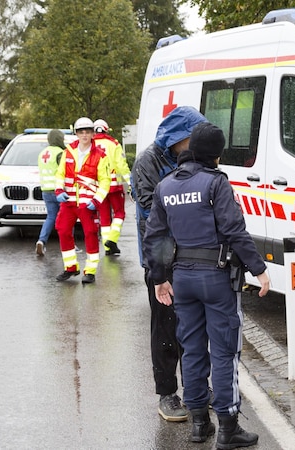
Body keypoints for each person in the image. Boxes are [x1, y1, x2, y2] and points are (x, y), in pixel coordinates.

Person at [143, 122, 270, 448]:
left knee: (193, 349)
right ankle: (228, 429)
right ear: (214, 155)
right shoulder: (216, 183)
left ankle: (200, 425)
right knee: (225, 352)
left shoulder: (165, 186)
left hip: (182, 280)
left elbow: (154, 237)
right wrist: (259, 269)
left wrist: (160, 278)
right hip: (217, 278)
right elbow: (234, 230)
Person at [132, 106, 207, 422]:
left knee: (194, 327)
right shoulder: (147, 163)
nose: (198, 142)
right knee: (165, 329)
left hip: (193, 258)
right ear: (180, 137)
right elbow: (153, 217)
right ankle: (167, 394)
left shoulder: (195, 158)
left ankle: (196, 389)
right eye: (194, 136)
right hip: (161, 259)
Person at [54, 117, 111, 284]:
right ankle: (71, 268)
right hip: (68, 202)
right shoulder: (67, 152)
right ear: (76, 134)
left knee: (91, 234)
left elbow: (105, 181)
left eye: (87, 132)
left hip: (88, 203)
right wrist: (58, 190)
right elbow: (60, 174)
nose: (84, 135)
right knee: (63, 231)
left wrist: (97, 200)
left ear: (93, 134)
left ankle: (90, 271)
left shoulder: (100, 156)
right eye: (81, 132)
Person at [93, 119, 131, 256]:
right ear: (106, 129)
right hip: (114, 186)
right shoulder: (113, 144)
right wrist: (130, 181)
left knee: (104, 217)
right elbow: (121, 164)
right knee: (119, 213)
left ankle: (107, 248)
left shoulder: (89, 145)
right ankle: (112, 240)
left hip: (98, 187)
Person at [35, 129, 66, 256]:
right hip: (59, 191)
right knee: (66, 217)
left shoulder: (43, 153)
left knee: (51, 217)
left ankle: (41, 241)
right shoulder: (60, 153)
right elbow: (65, 171)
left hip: (46, 191)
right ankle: (70, 244)